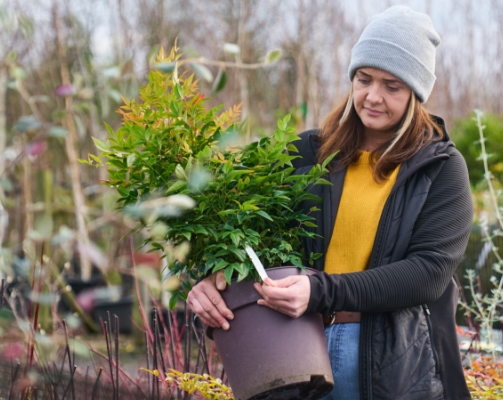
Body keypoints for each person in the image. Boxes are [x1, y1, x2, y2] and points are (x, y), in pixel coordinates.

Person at [186, 5, 473, 400]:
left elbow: (427, 273)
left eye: (393, 86)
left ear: (416, 93)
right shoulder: (307, 152)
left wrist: (319, 290)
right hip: (292, 347)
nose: (372, 96)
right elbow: (243, 228)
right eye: (364, 78)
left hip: (388, 362)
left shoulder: (439, 168)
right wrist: (208, 277)